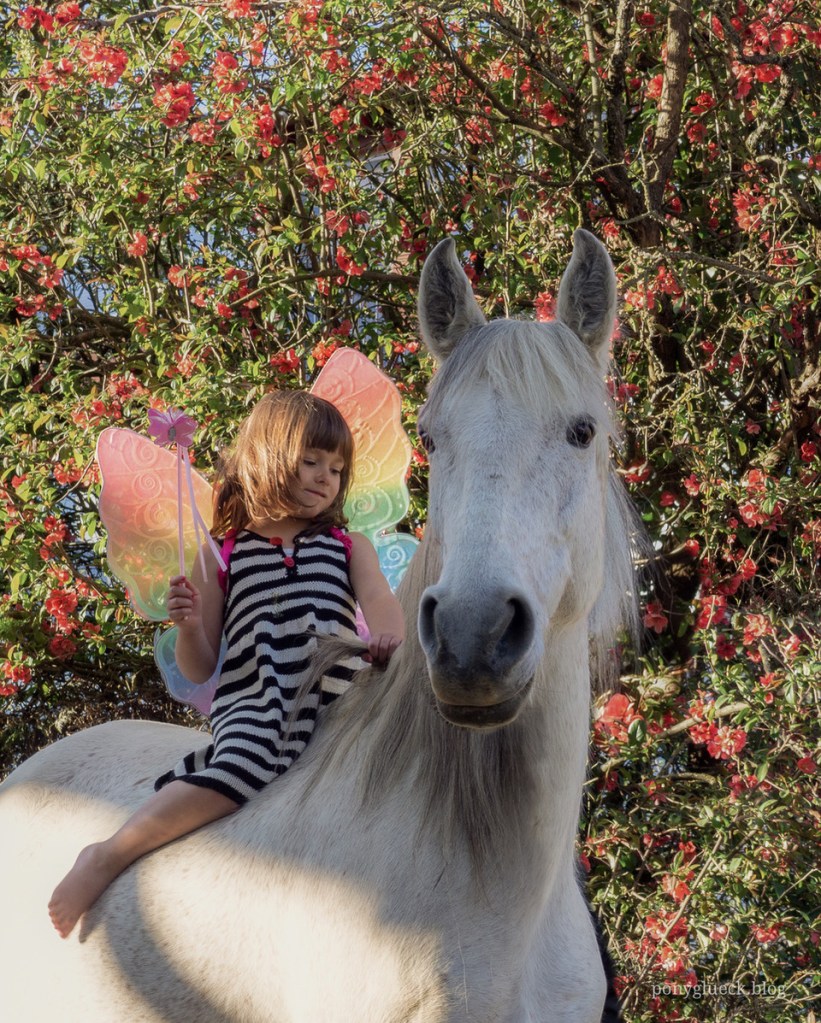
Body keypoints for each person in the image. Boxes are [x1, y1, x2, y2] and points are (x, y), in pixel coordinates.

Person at [48, 390, 405, 938]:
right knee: (243, 763)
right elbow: (200, 667)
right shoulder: (223, 554)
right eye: (311, 461)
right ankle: (109, 853)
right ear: (267, 457)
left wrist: (387, 636)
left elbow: (379, 597)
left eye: (336, 469)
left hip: (337, 692)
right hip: (258, 700)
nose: (325, 477)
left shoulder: (347, 544)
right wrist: (190, 626)